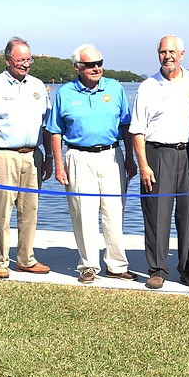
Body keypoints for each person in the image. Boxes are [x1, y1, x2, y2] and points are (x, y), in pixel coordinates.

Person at [47, 44, 138, 284]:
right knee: (83, 213)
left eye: (99, 63)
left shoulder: (115, 88)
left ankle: (117, 265)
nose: (96, 68)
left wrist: (130, 158)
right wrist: (58, 164)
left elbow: (126, 126)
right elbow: (55, 131)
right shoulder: (65, 93)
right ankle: (88, 265)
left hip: (111, 155)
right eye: (90, 65)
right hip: (78, 157)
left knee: (114, 211)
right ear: (77, 67)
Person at [0, 37, 53, 278]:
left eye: (29, 59)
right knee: (2, 212)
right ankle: (0, 262)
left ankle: (26, 259)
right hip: (2, 157)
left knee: (30, 211)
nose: (26, 64)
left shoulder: (38, 86)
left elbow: (47, 126)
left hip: (33, 156)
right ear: (8, 61)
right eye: (21, 60)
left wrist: (48, 158)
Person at [129, 35, 189, 290]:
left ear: (182, 53)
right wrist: (143, 164)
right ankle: (157, 269)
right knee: (157, 215)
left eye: (172, 51)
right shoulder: (148, 86)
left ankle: (187, 268)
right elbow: (137, 130)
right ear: (158, 55)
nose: (168, 56)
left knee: (188, 215)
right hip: (157, 154)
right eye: (163, 52)